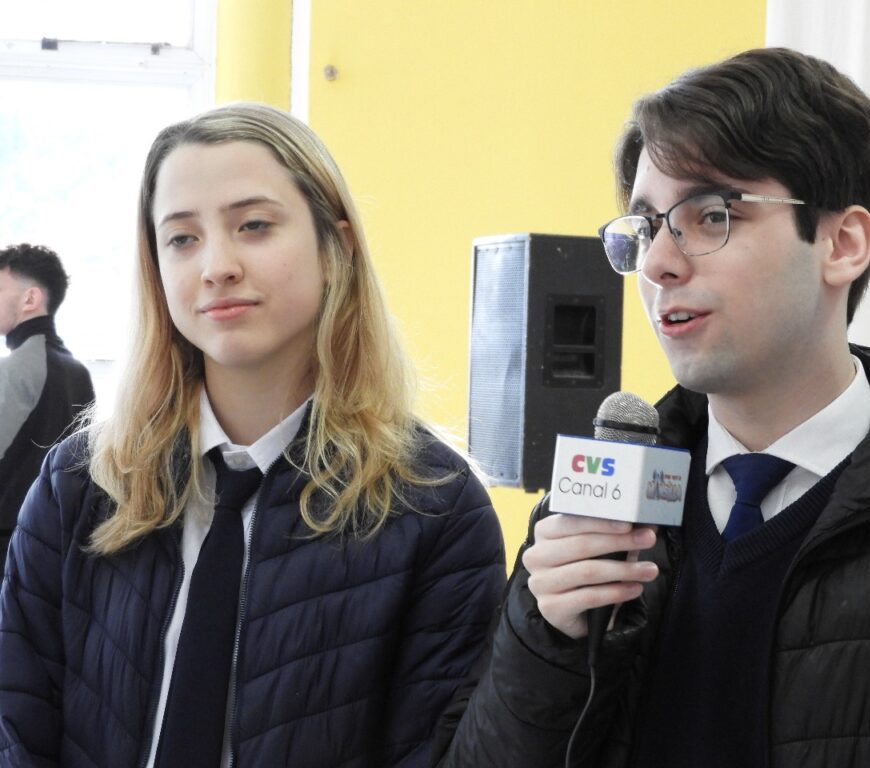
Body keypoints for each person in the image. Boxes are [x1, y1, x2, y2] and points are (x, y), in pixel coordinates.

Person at [435, 48, 870, 767]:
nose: (658, 264)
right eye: (646, 227)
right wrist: (547, 645)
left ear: (842, 244)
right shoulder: (591, 513)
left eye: (711, 215)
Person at [0, 103, 506, 767]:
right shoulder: (81, 480)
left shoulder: (436, 505)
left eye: (254, 226)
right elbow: (16, 725)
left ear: (337, 248)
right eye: (182, 238)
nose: (217, 266)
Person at [0, 243, 94, 569]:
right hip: (55, 551)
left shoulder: (15, 370)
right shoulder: (77, 370)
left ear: (30, 299)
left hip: (8, 552)